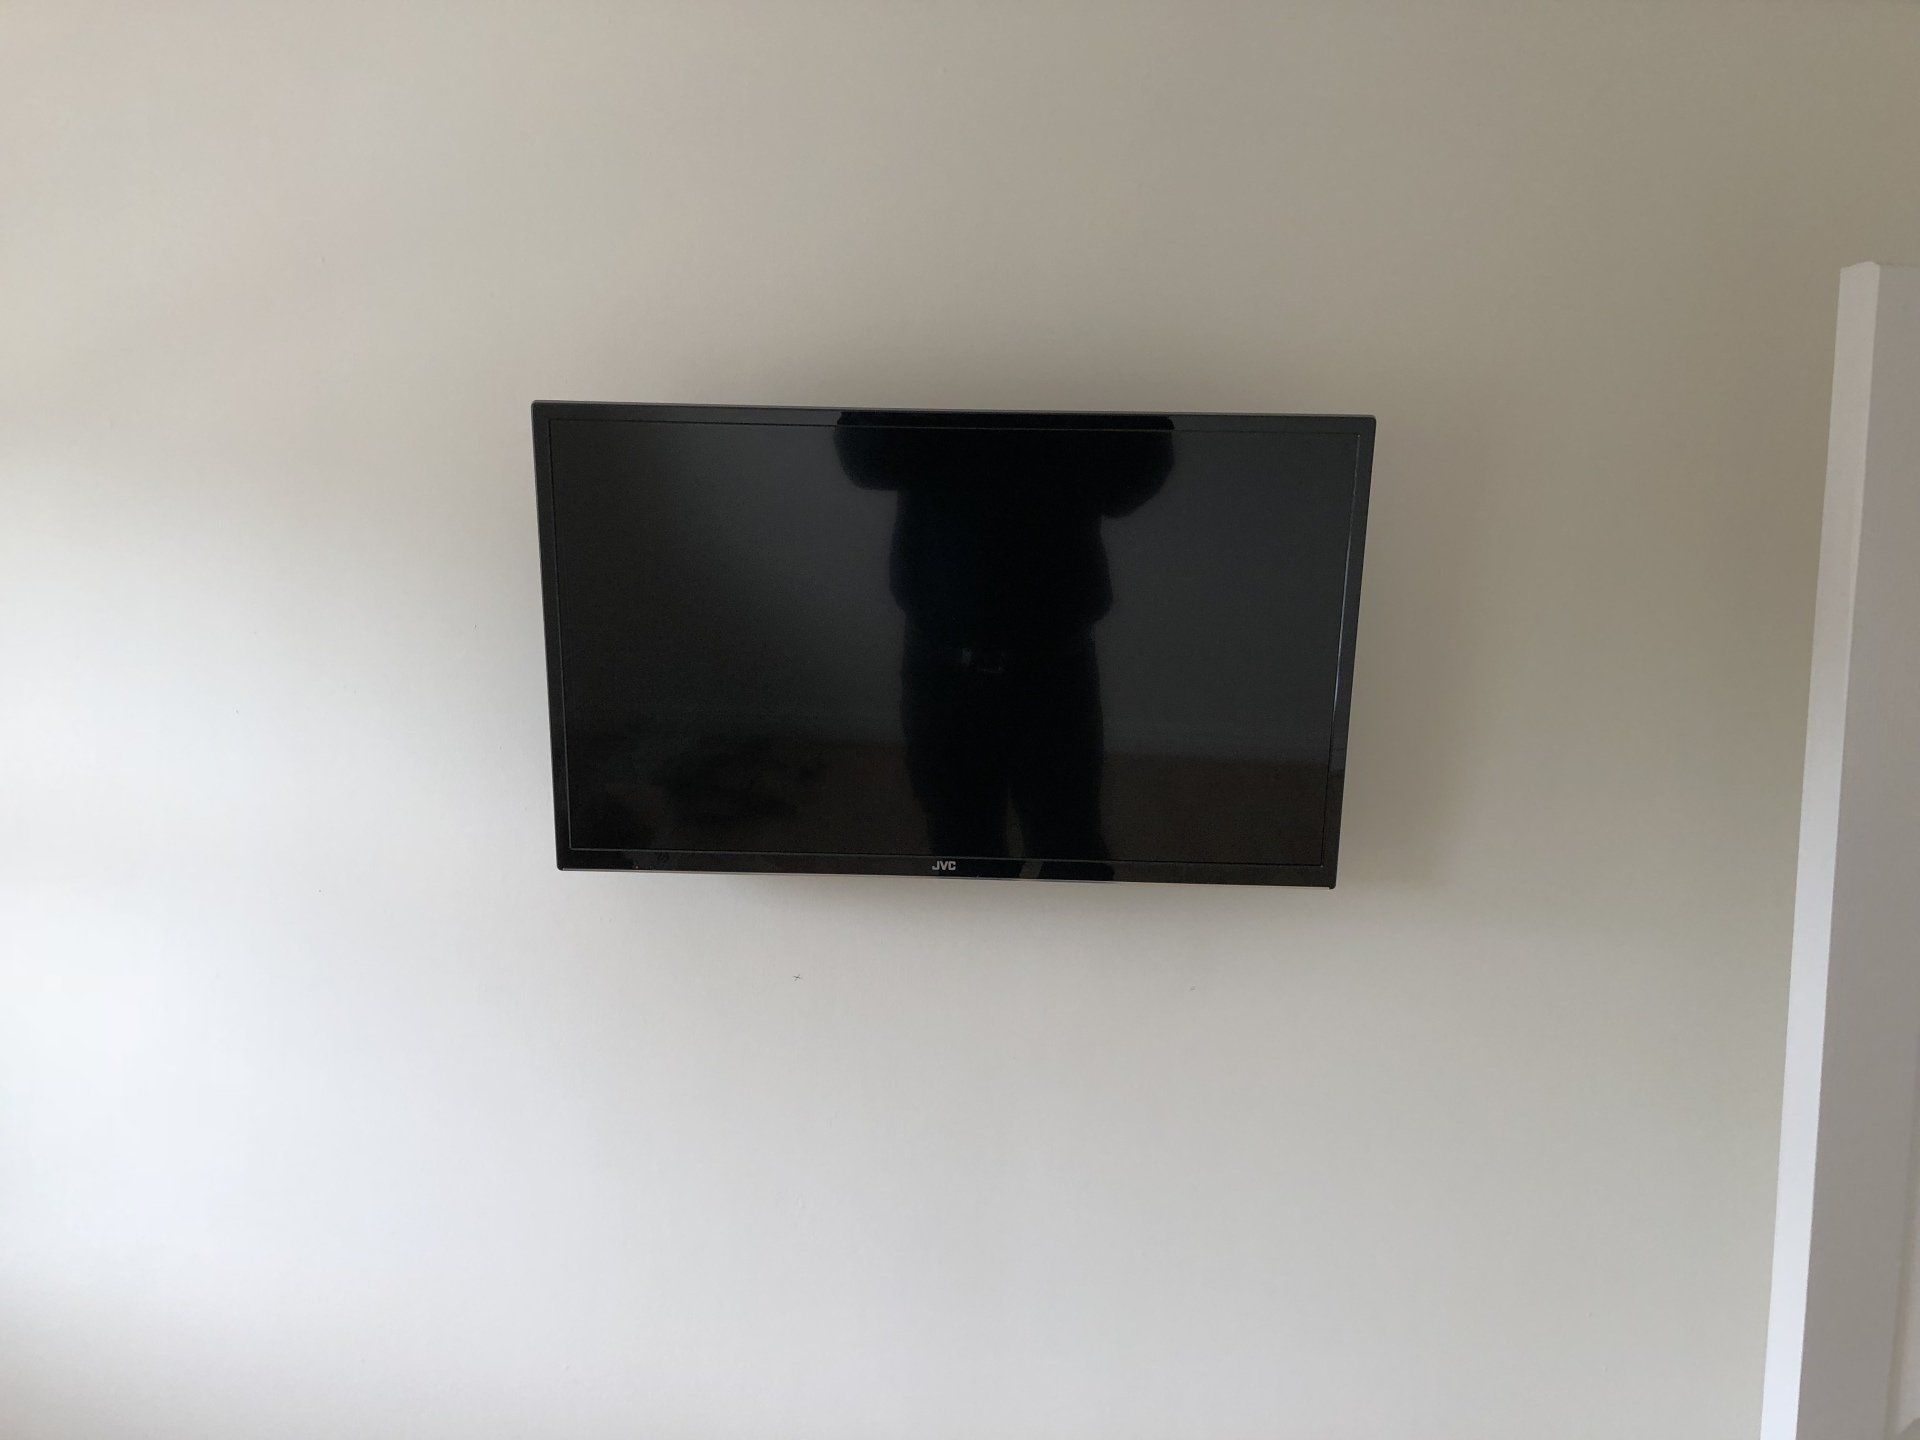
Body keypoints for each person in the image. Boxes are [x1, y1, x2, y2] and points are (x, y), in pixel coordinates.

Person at [835, 414, 1172, 862]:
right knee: (964, 846)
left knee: (1068, 847)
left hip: (1048, 660)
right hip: (950, 660)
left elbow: (1131, 478)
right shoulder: (924, 375)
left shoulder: (1084, 379)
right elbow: (866, 461)